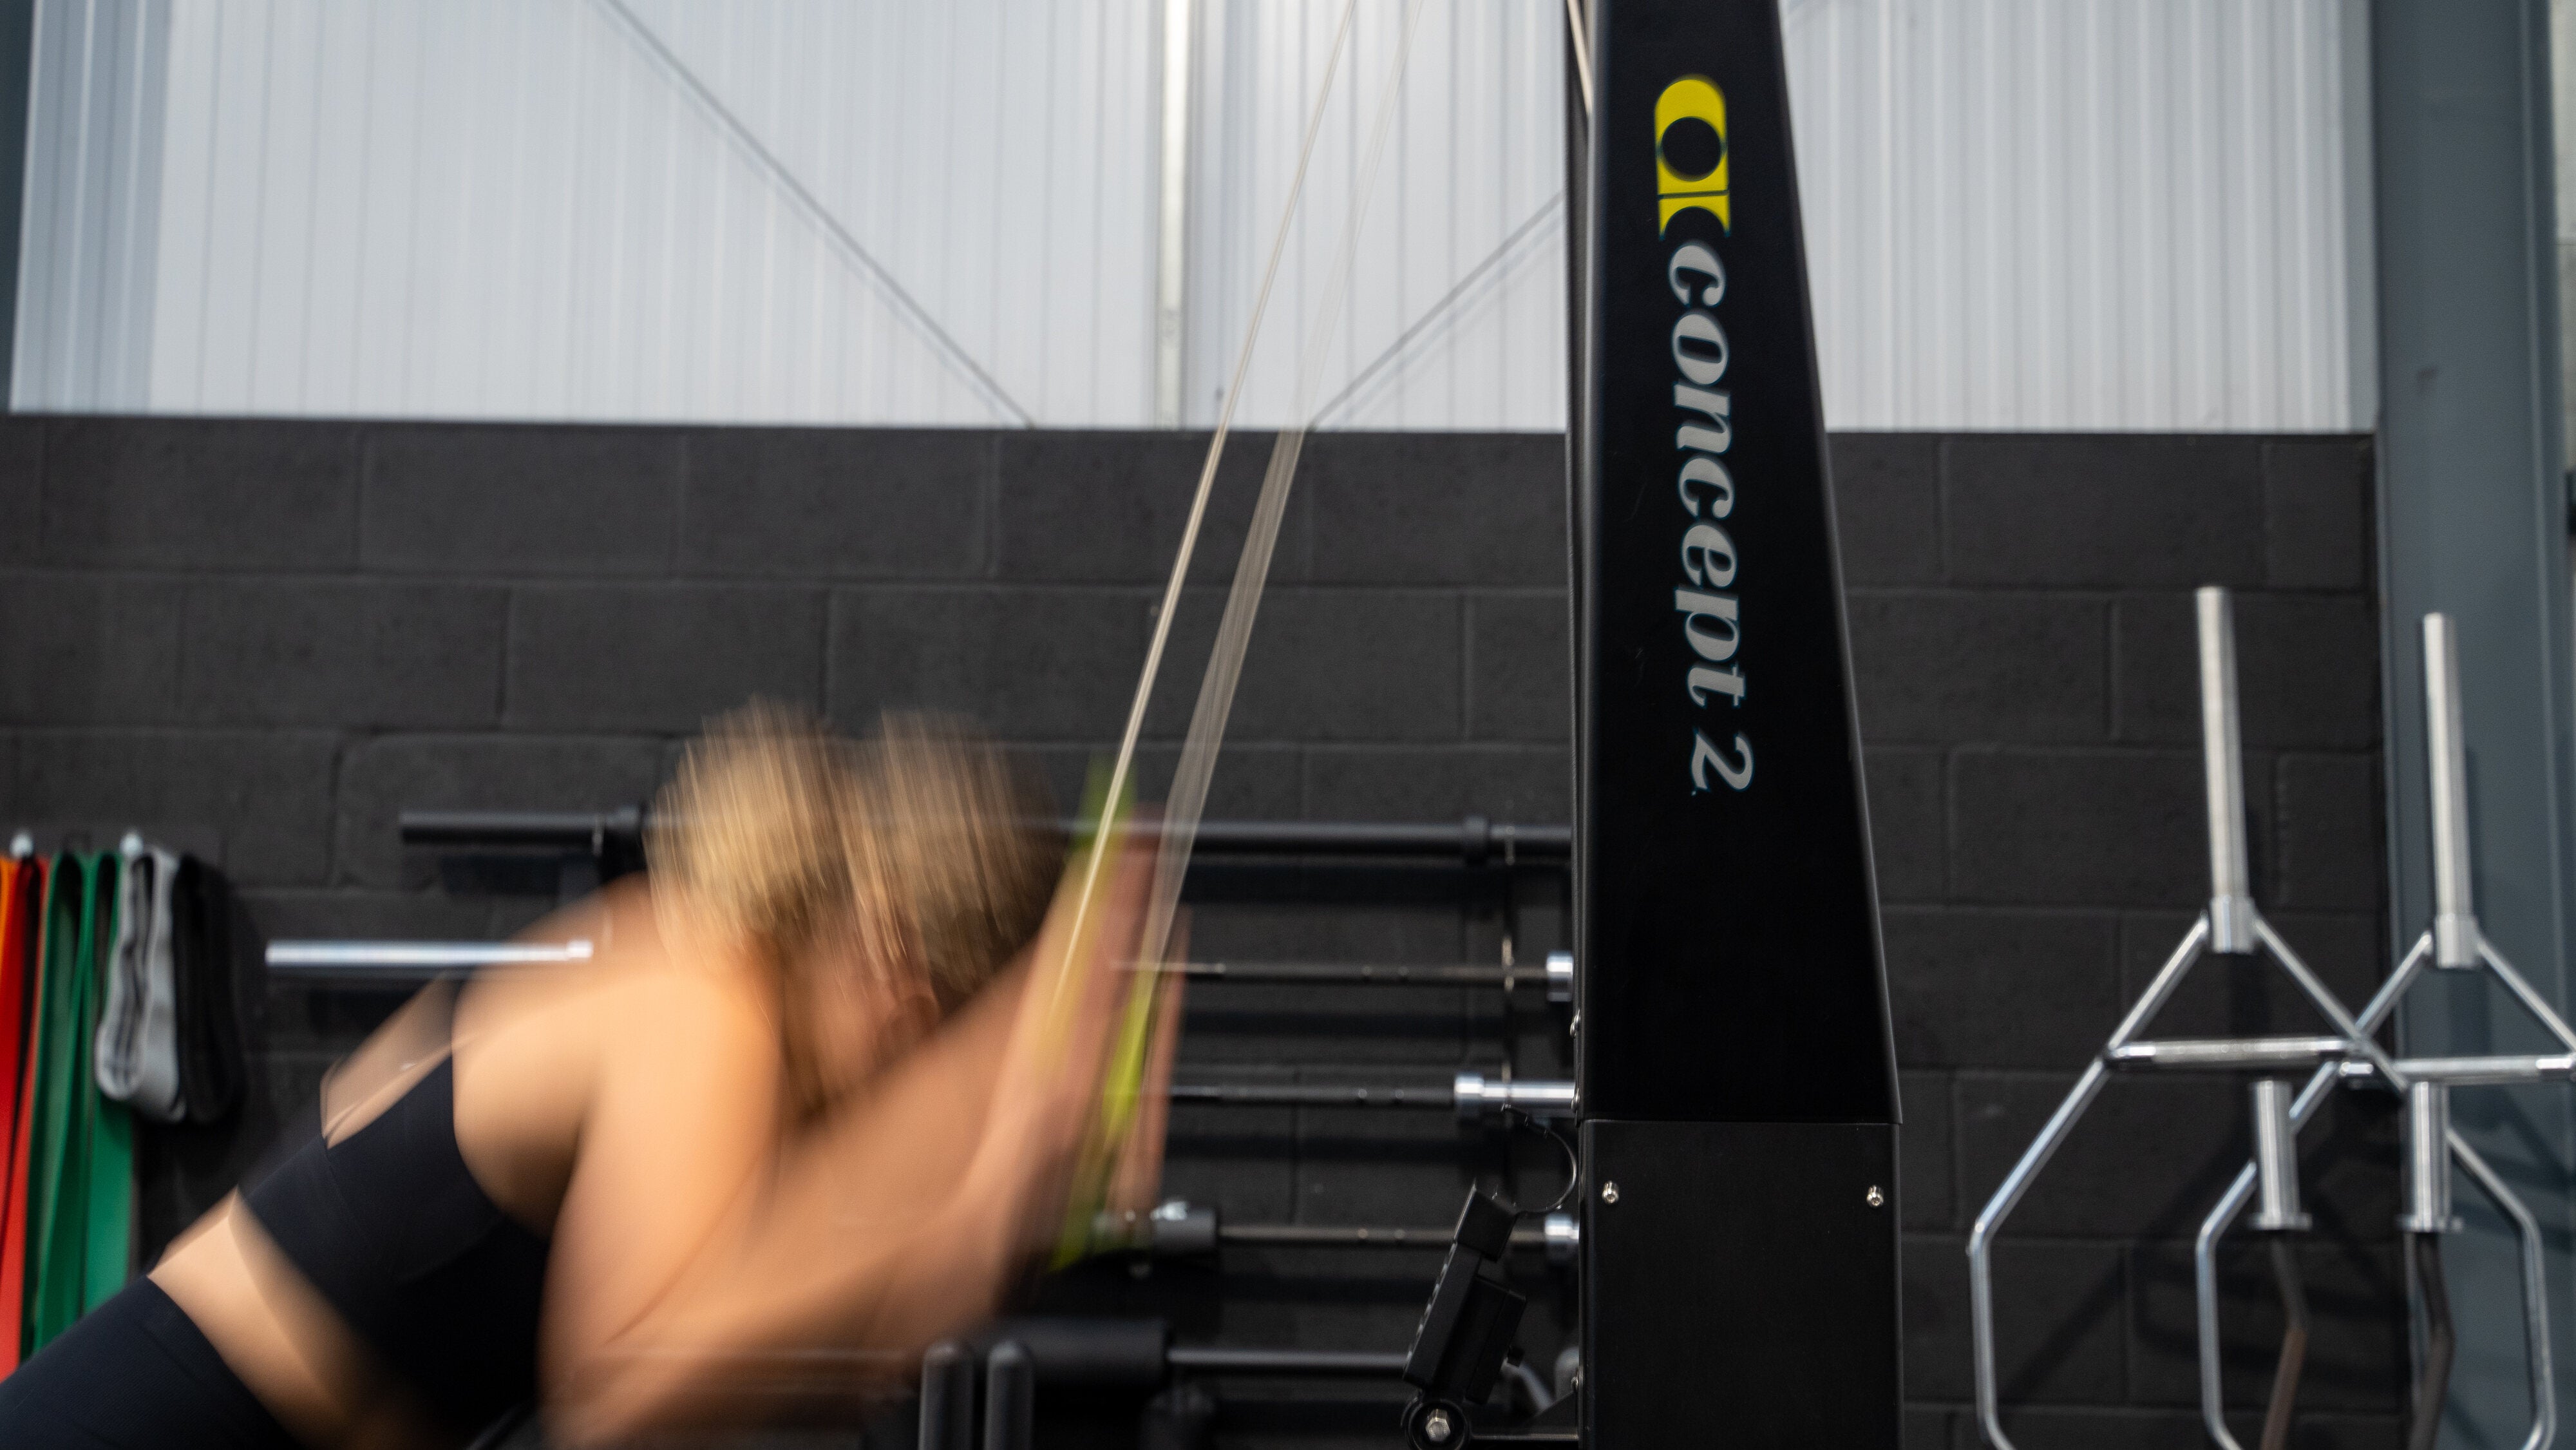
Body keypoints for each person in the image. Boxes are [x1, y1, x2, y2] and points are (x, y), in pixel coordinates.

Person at [0, 705, 1165, 1449]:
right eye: (926, 1054)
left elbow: (765, 1344)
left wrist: (970, 1213)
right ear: (908, 977)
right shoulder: (709, 1007)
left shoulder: (648, 950)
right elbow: (626, 1382)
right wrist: (974, 1189)